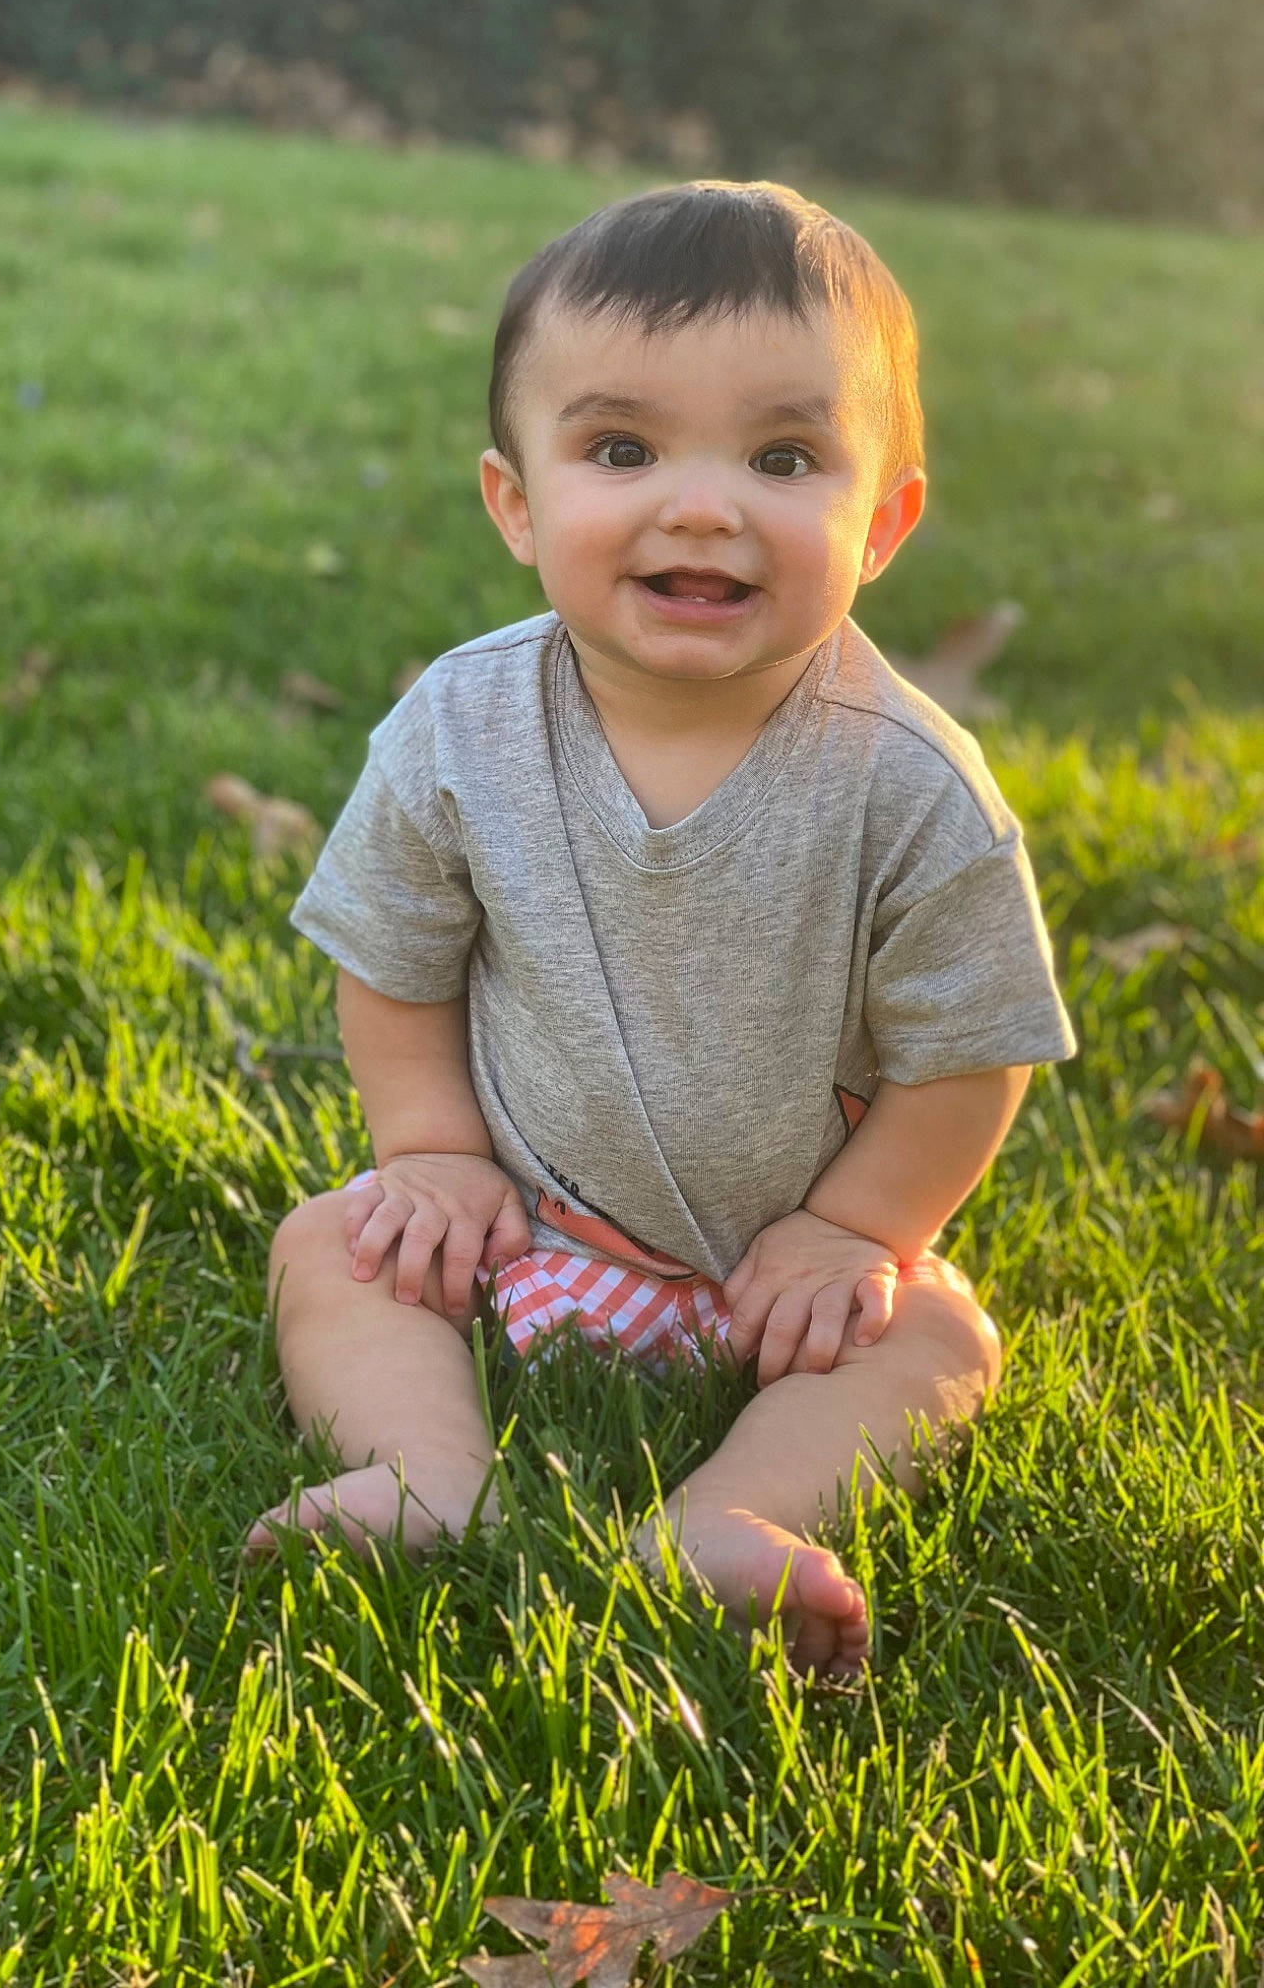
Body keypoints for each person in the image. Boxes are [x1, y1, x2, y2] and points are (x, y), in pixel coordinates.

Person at [246, 180, 1076, 1678]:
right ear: (517, 501)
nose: (704, 505)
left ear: (881, 522)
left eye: (783, 455)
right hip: (527, 1229)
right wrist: (428, 1151)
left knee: (942, 1337)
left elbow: (969, 1053)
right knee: (332, 1244)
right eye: (621, 449)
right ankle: (423, 1474)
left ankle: (730, 1519)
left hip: (788, 1280)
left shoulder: (912, 791)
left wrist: (856, 1231)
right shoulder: (461, 726)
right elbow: (395, 954)